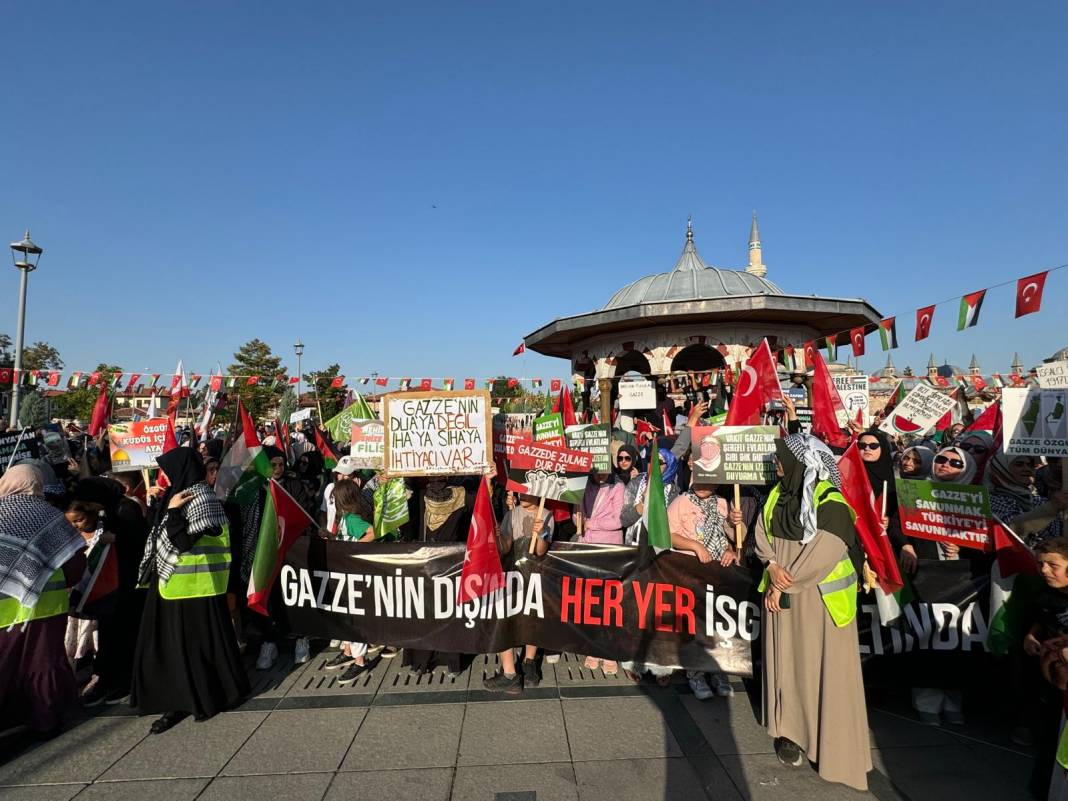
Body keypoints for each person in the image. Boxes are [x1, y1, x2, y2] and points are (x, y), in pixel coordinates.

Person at [755, 434, 871, 791]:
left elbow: (826, 551)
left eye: (780, 460)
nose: (775, 465)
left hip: (818, 601)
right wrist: (772, 565)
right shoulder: (777, 494)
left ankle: (831, 747)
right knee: (786, 665)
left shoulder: (830, 501)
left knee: (824, 672)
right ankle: (788, 731)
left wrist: (782, 584)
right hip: (785, 593)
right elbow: (762, 532)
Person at [131, 448, 248, 733]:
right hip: (173, 586)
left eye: (170, 469)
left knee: (192, 649)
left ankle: (198, 700)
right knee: (175, 649)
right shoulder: (178, 493)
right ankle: (177, 700)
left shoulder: (200, 499)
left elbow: (183, 542)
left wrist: (172, 511)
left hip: (194, 588)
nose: (167, 475)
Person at [0, 464, 87, 736]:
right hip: (49, 606)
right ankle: (45, 718)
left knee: (5, 664)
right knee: (43, 662)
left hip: (5, 610)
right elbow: (75, 563)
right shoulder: (51, 516)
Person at [667, 454, 740, 699]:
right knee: (695, 626)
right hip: (690, 573)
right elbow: (668, 535)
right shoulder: (681, 502)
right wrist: (696, 546)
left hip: (718, 574)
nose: (703, 485)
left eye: (709, 481)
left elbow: (731, 537)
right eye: (700, 479)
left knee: (717, 625)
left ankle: (718, 673)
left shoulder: (723, 503)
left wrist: (730, 544)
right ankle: (696, 676)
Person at [402, 477, 473, 677]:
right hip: (427, 565)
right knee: (425, 612)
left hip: (452, 566)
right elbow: (406, 525)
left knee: (449, 613)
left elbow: (484, 504)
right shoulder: (419, 496)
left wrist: (490, 480)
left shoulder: (463, 494)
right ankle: (421, 660)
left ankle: (452, 661)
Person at [483, 493, 553, 693]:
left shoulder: (547, 515)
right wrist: (498, 535)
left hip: (534, 575)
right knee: (505, 619)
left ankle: (528, 663)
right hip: (512, 574)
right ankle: (509, 673)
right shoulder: (511, 515)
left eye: (527, 491)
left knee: (532, 618)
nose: (522, 495)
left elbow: (540, 552)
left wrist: (542, 533)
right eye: (519, 490)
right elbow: (504, 548)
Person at [987, 452, 1066, 547]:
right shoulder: (992, 500)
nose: (1027, 469)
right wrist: (1052, 507)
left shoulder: (1038, 500)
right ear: (1002, 468)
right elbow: (1009, 530)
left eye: (1030, 465)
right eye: (1019, 464)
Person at [320, 455, 361, 533]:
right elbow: (323, 512)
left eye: (346, 474)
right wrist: (324, 530)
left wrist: (356, 494)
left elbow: (357, 517)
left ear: (355, 476)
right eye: (339, 473)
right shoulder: (330, 488)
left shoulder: (361, 492)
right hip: (330, 538)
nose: (341, 477)